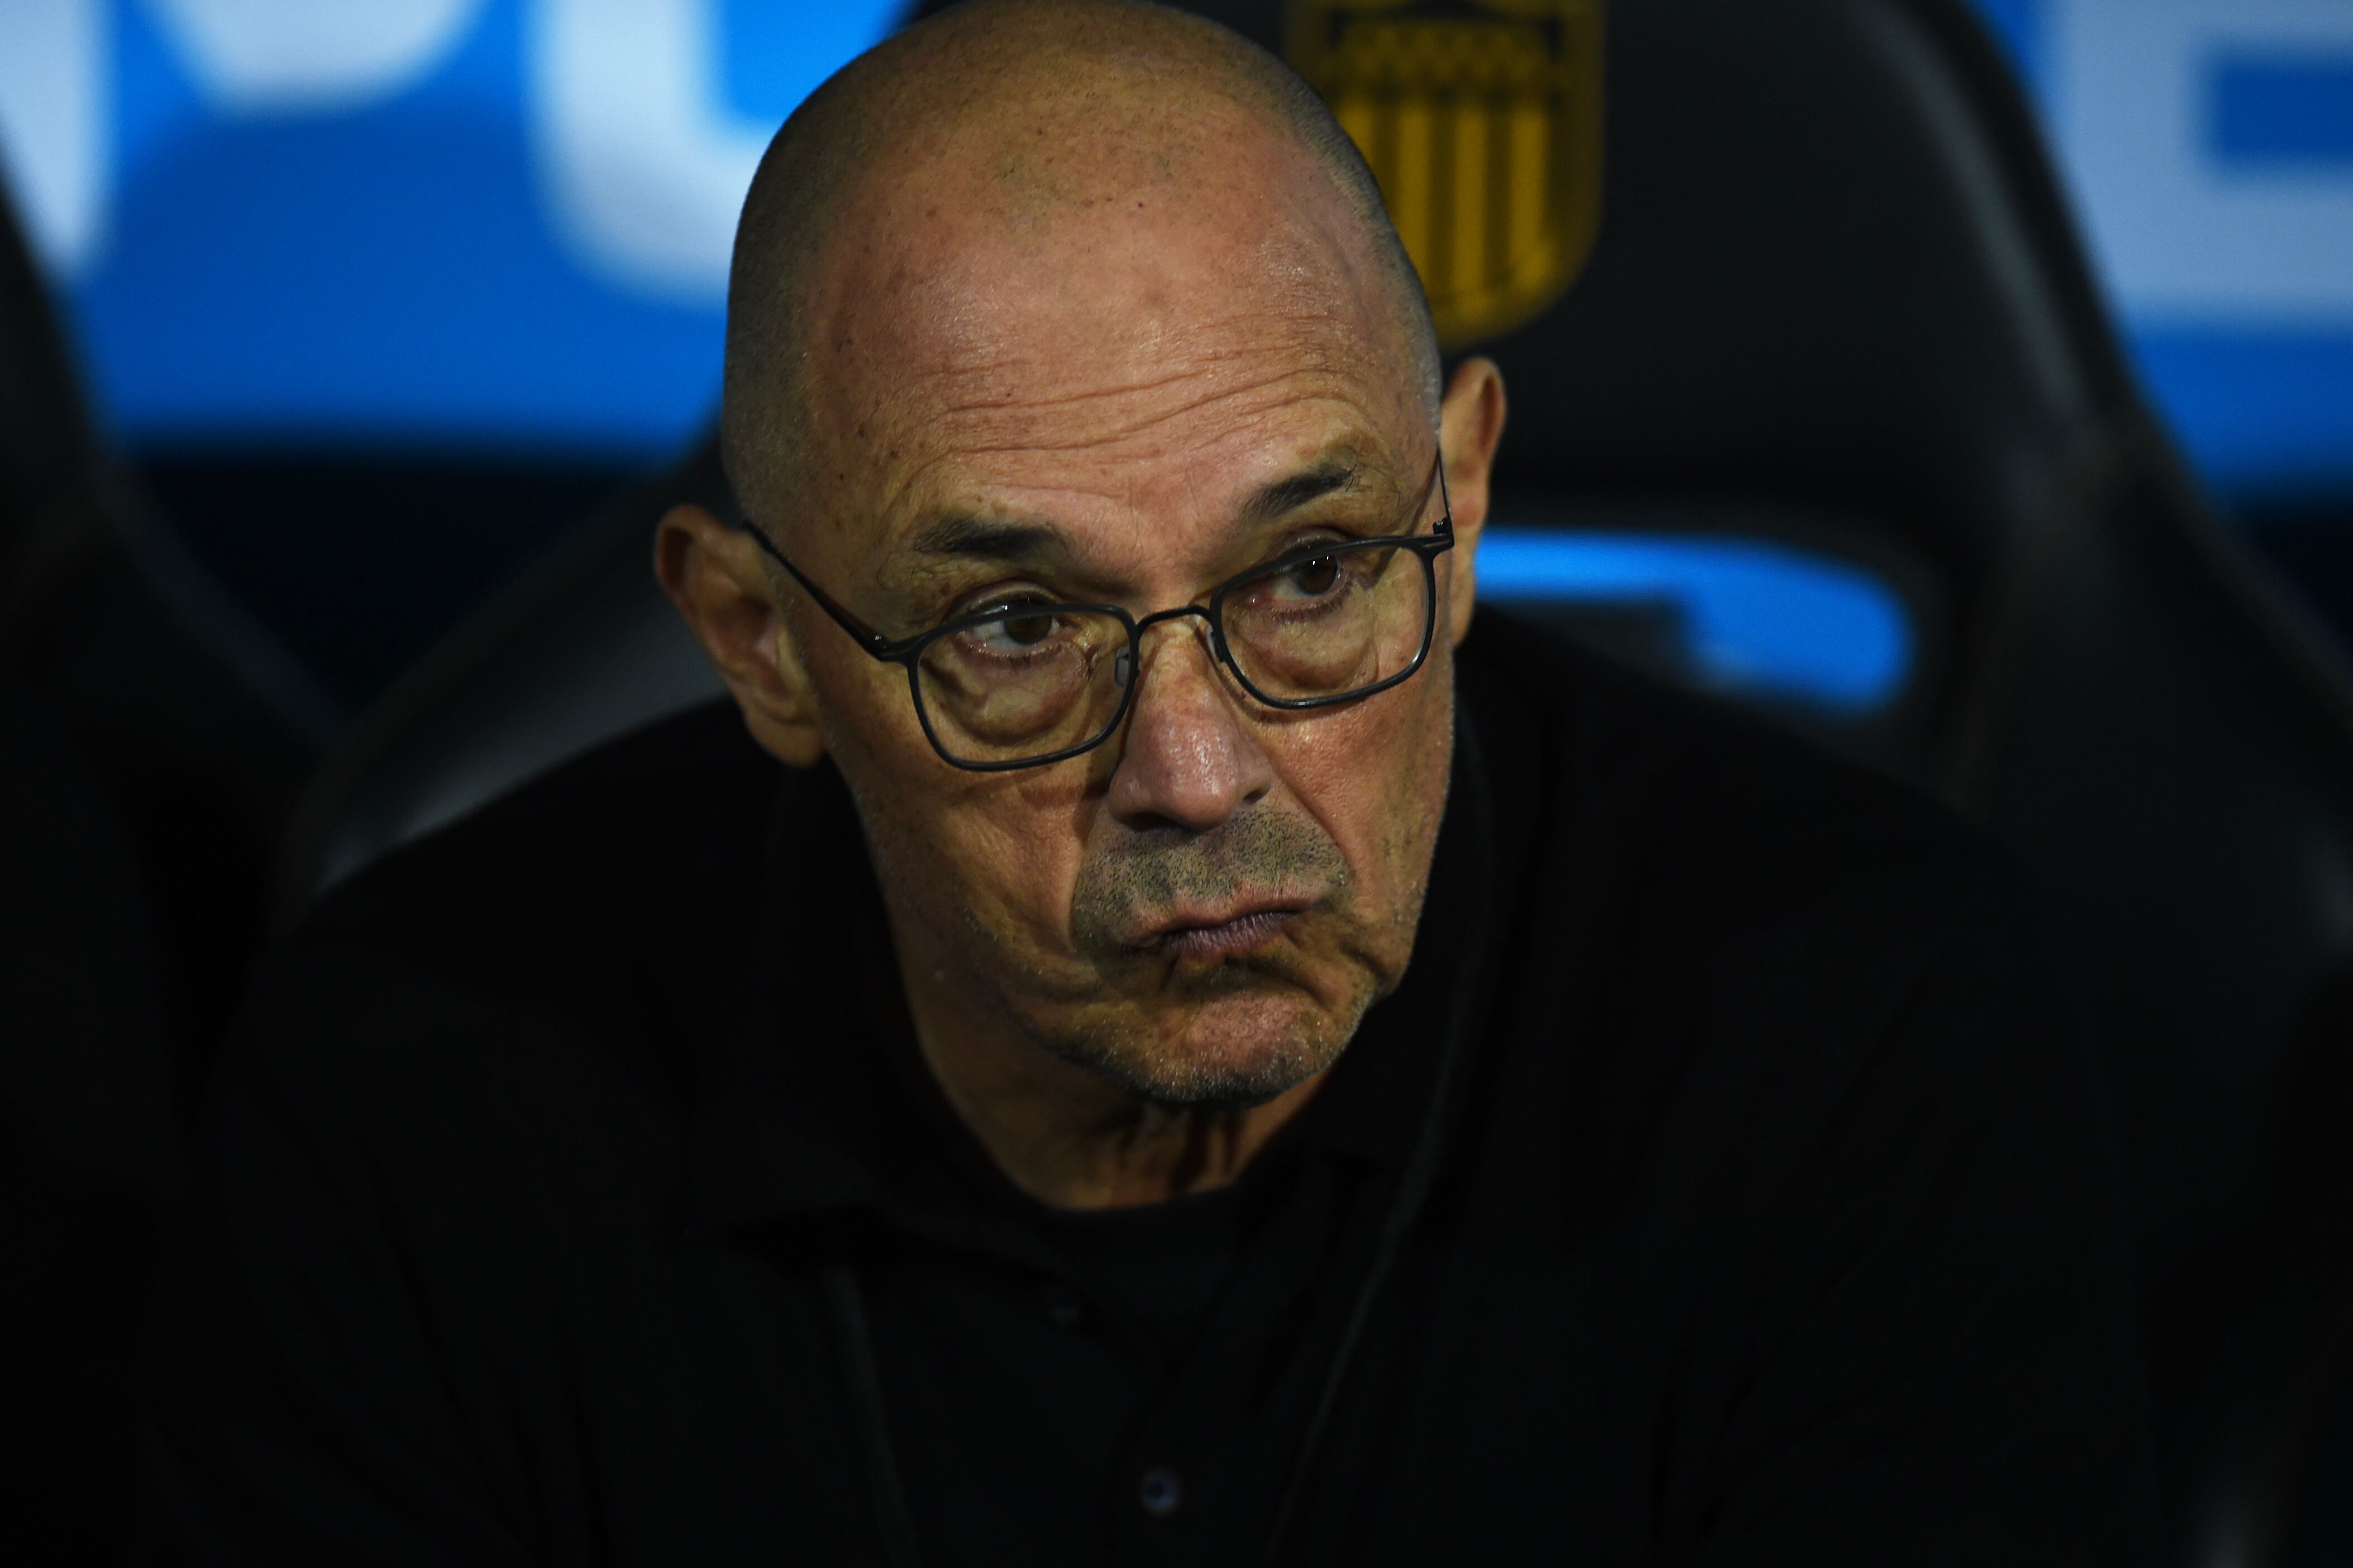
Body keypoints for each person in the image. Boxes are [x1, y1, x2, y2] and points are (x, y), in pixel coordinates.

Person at [144, 2, 2156, 1561]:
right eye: (1018, 628)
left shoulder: (1858, 1031)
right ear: (760, 644)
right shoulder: (420, 1099)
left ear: (1459, 499)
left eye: (1312, 577)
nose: (1193, 774)